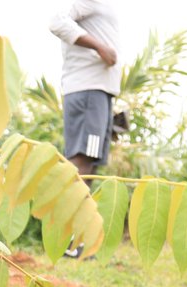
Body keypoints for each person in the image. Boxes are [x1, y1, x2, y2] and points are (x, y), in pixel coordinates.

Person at [50, 1, 122, 256]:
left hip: (99, 92)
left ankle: (76, 239)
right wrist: (100, 47)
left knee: (88, 164)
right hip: (87, 90)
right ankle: (67, 240)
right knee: (81, 160)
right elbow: (57, 21)